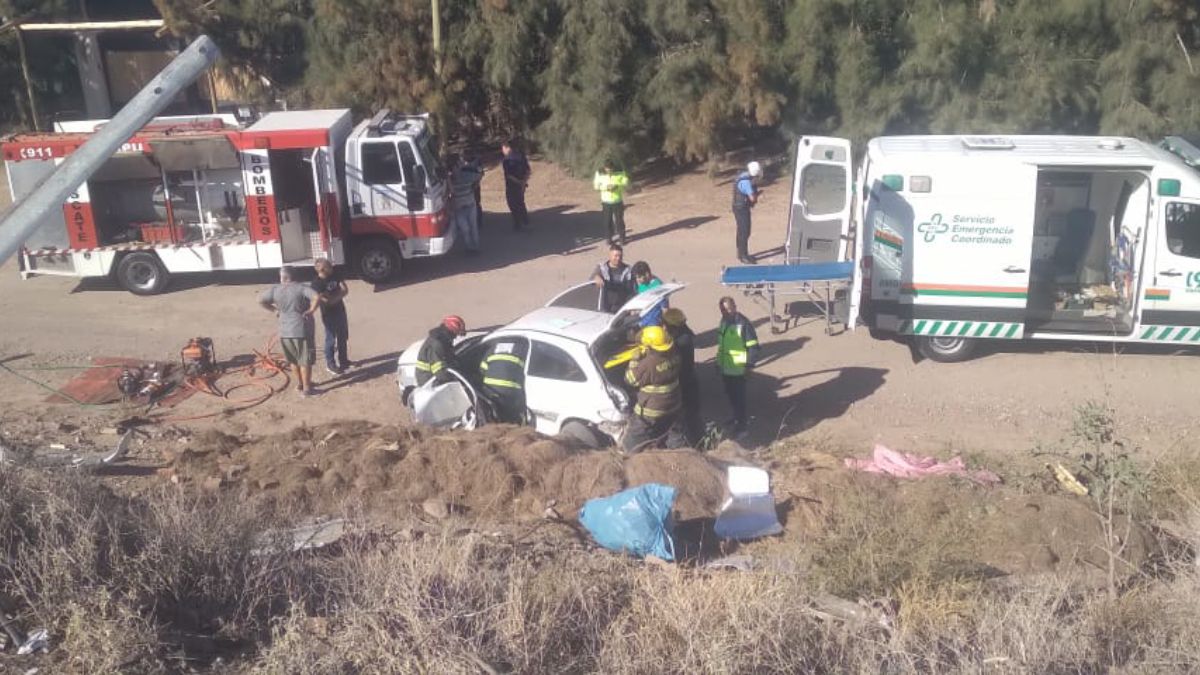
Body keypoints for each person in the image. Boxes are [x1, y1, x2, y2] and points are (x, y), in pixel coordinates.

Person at [258, 266, 319, 396]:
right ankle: (307, 389)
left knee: (293, 360)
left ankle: (300, 384)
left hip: (285, 330)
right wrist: (311, 310)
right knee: (304, 361)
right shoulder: (302, 288)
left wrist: (275, 310)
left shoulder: (275, 290)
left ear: (283, 277)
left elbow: (260, 300)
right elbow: (316, 297)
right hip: (301, 329)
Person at [622, 325, 682, 452]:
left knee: (631, 443)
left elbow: (630, 379)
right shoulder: (674, 354)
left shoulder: (649, 363)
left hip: (651, 411)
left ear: (649, 346)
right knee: (670, 437)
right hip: (673, 405)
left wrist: (634, 360)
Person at [716, 297, 760, 436]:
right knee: (731, 396)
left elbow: (753, 348)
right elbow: (722, 346)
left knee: (739, 399)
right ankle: (736, 417)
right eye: (723, 310)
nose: (726, 312)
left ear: (735, 306)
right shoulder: (723, 322)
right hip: (726, 368)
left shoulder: (744, 324)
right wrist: (719, 363)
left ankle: (742, 427)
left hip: (739, 370)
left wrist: (749, 366)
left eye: (728, 309)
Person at [663, 308, 701, 445]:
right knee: (693, 416)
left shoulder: (680, 342)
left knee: (686, 418)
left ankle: (693, 444)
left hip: (683, 384)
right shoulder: (686, 335)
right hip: (689, 381)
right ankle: (698, 441)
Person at [311, 258, 351, 375]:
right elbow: (325, 301)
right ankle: (331, 364)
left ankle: (344, 361)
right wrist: (339, 296)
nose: (331, 267)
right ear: (322, 269)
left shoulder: (335, 275)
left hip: (340, 311)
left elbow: (345, 290)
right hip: (329, 314)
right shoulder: (316, 284)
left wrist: (334, 298)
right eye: (329, 266)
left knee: (343, 336)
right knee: (331, 339)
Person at [479, 339, 528, 425]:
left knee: (493, 417)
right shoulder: (522, 349)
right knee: (510, 419)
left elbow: (482, 369)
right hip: (510, 391)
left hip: (490, 390)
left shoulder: (493, 349)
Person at [416, 315, 467, 386]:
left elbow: (450, 358)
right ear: (452, 331)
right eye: (456, 334)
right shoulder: (437, 344)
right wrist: (453, 379)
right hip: (428, 380)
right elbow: (438, 370)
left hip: (434, 376)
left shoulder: (445, 340)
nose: (456, 337)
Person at [450, 154, 483, 255]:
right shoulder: (450, 179)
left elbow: (480, 174)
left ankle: (475, 248)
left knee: (473, 227)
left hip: (470, 205)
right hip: (459, 208)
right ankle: (469, 247)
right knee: (465, 229)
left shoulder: (466, 174)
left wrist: (475, 185)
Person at [732, 160, 764, 264]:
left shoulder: (743, 176)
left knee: (741, 231)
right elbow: (752, 199)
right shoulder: (746, 182)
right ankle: (743, 255)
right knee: (745, 232)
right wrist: (757, 194)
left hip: (739, 207)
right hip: (741, 208)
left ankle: (740, 253)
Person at [593, 159, 630, 244]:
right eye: (607, 169)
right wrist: (605, 188)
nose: (609, 171)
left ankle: (622, 238)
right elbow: (596, 186)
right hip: (606, 201)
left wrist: (617, 186)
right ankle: (609, 238)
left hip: (617, 201)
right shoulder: (599, 173)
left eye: (610, 169)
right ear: (604, 168)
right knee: (607, 221)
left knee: (619, 220)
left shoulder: (620, 171)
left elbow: (625, 182)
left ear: (613, 168)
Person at [591, 243, 636, 313]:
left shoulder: (628, 270)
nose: (618, 258)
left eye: (620, 256)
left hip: (622, 308)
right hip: (604, 307)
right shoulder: (602, 268)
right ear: (609, 256)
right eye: (615, 256)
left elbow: (631, 291)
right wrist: (596, 276)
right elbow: (591, 281)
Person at [501, 139, 531, 231]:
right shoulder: (521, 156)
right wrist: (523, 182)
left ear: (506, 148)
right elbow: (528, 171)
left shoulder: (506, 160)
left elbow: (509, 176)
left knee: (512, 204)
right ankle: (525, 221)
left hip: (512, 185)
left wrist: (519, 182)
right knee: (521, 202)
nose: (502, 151)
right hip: (521, 184)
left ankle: (518, 223)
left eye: (502, 148)